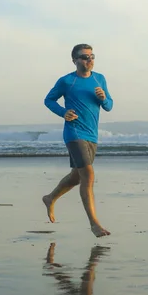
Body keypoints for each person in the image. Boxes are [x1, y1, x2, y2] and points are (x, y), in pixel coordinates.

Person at [42, 43, 113, 237]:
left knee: (76, 176)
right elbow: (49, 100)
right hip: (74, 133)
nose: (89, 60)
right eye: (84, 57)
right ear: (74, 60)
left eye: (91, 56)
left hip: (92, 134)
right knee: (88, 176)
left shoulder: (100, 79)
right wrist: (63, 112)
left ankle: (50, 198)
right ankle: (94, 224)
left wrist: (104, 97)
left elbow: (109, 106)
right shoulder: (67, 81)